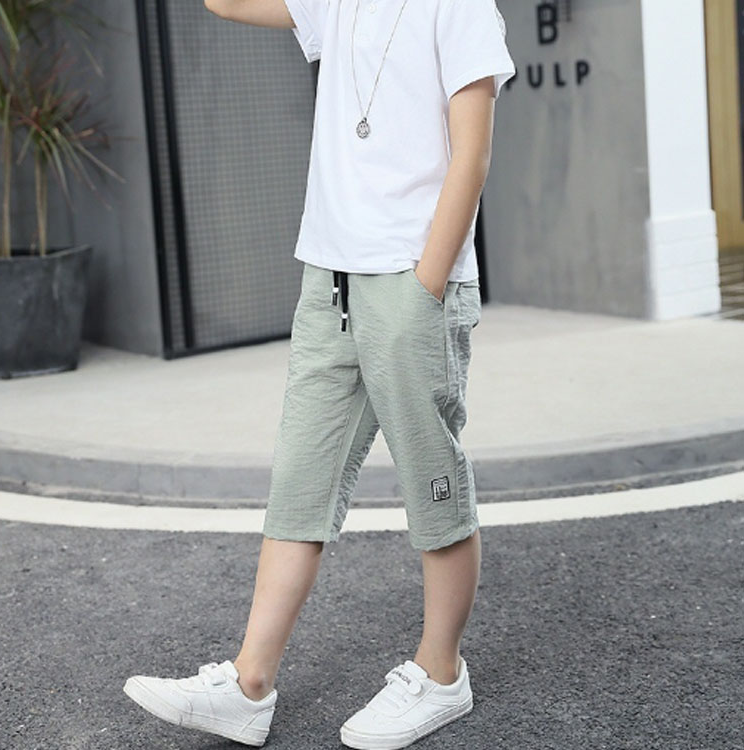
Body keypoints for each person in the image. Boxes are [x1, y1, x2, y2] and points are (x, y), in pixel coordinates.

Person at [123, 0, 516, 747]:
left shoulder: (460, 5)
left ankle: (441, 674)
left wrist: (425, 284)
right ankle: (249, 686)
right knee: (301, 482)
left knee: (432, 483)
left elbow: (472, 156)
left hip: (409, 280)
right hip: (329, 279)